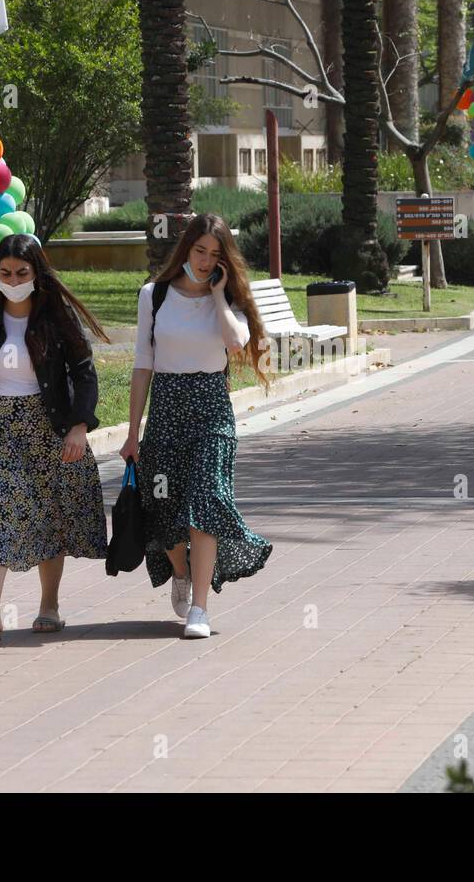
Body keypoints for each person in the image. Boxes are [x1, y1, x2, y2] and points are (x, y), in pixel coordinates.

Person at [0, 233, 110, 643]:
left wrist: (79, 426)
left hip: (48, 425)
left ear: (37, 274)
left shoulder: (56, 316)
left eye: (22, 273)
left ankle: (49, 605)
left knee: (51, 513)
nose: (13, 279)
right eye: (5, 273)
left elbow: (84, 373)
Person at [120, 213, 274, 640]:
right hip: (166, 410)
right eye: (199, 251)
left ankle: (200, 610)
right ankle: (181, 570)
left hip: (211, 411)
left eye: (214, 254)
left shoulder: (229, 299)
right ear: (185, 248)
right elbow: (142, 364)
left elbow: (237, 344)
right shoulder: (154, 295)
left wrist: (219, 297)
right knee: (164, 506)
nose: (205, 261)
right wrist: (132, 433)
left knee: (206, 501)